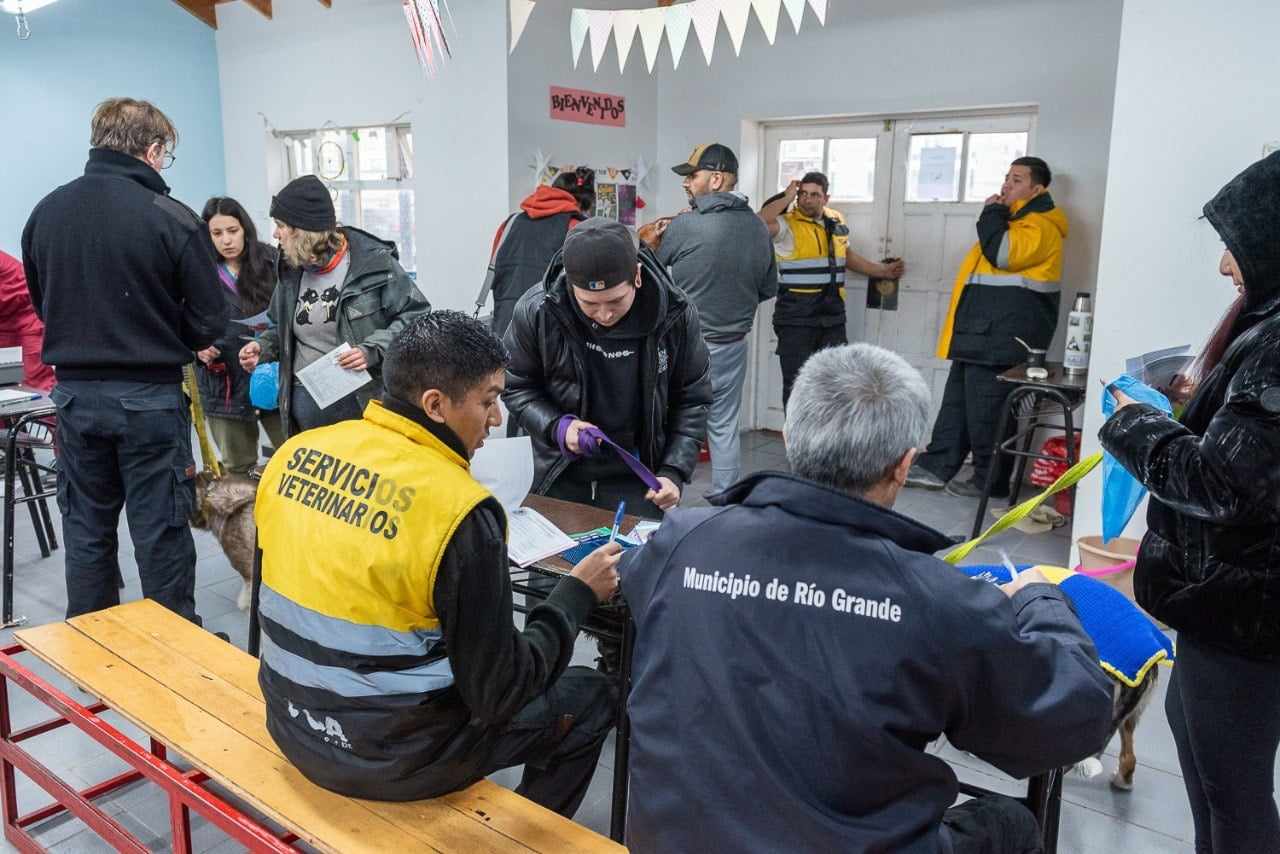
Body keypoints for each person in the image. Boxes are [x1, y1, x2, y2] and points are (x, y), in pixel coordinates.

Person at [621, 343, 1113, 853]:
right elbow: (1071, 721)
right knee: (1011, 821)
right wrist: (1038, 598)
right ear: (905, 464)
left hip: (671, 840)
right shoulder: (937, 601)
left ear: (790, 439)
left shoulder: (681, 541)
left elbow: (638, 584)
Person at [255, 311, 618, 816]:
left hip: (292, 725)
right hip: (394, 758)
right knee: (592, 696)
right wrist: (576, 593)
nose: (496, 418)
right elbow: (501, 693)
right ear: (435, 405)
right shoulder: (457, 510)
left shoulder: (294, 453)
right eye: (489, 401)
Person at [1099, 151, 1280, 854]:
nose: (1224, 267)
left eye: (1235, 247)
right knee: (1213, 775)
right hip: (1232, 605)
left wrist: (1131, 419)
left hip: (1246, 611)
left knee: (1231, 795)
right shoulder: (1262, 334)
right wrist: (1195, 407)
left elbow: (1223, 485)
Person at [20, 98, 227, 622]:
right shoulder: (171, 218)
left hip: (74, 400)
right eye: (166, 156)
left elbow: (43, 305)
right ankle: (172, 652)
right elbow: (209, 322)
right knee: (160, 533)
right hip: (149, 400)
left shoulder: (46, 212)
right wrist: (160, 331)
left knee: (86, 531)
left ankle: (95, 651)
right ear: (153, 151)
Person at [503, 218, 711, 520]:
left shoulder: (674, 315)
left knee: (633, 565)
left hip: (639, 473)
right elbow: (516, 385)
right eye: (589, 303)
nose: (604, 314)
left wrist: (674, 471)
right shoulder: (539, 310)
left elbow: (693, 398)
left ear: (637, 277)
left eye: (615, 300)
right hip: (558, 469)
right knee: (557, 566)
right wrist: (556, 426)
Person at [907, 157, 1067, 499]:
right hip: (979, 335)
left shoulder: (1039, 226)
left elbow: (1002, 256)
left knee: (988, 413)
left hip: (1001, 339)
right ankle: (937, 467)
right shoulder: (1015, 223)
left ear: (1037, 190)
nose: (1007, 184)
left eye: (1017, 179)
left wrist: (990, 214)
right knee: (957, 407)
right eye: (1006, 176)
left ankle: (988, 480)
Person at [238, 175, 429, 435]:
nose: (275, 233)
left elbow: (416, 316)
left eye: (281, 225)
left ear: (303, 230)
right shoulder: (290, 270)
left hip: (362, 407)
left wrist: (370, 350)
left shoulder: (374, 264)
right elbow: (279, 328)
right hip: (303, 409)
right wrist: (261, 347)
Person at [650, 143, 777, 493]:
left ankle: (658, 502)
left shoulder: (686, 225)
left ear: (717, 179)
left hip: (685, 348)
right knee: (723, 426)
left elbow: (647, 278)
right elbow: (768, 288)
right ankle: (726, 503)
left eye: (693, 176)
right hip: (733, 346)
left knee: (665, 424)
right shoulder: (757, 227)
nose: (687, 183)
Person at [758, 172, 905, 407]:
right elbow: (759, 222)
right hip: (796, 318)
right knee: (797, 384)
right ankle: (798, 441)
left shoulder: (836, 220)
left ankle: (830, 441)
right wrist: (787, 196)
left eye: (814, 195)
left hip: (832, 315)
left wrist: (881, 271)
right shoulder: (786, 225)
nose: (806, 199)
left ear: (825, 198)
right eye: (802, 194)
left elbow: (844, 256)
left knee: (836, 384)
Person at [197, 197, 285, 474]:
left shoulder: (273, 261)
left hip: (274, 373)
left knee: (296, 458)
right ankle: (243, 518)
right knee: (237, 467)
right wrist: (196, 346)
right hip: (223, 383)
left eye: (232, 231)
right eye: (217, 233)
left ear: (245, 228)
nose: (226, 241)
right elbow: (177, 320)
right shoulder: (197, 271)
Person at [485, 168, 595, 338]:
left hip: (504, 331)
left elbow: (496, 271)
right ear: (581, 204)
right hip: (550, 337)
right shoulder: (575, 227)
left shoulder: (509, 224)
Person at [0, 250, 54, 392]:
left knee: (35, 380)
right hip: (4, 315)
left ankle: (45, 414)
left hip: (27, 312)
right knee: (5, 381)